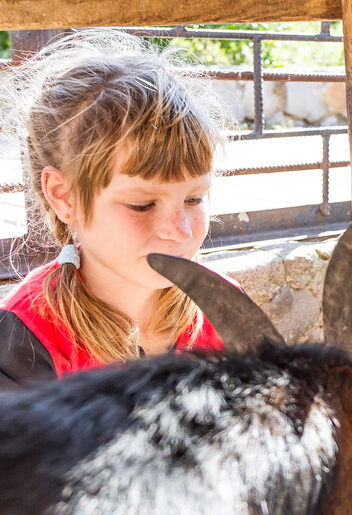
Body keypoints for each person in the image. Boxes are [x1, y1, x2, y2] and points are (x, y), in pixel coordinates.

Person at [0, 31, 229, 388]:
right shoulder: (23, 343)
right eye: (142, 204)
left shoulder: (224, 308)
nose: (181, 230)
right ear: (63, 196)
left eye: (194, 199)